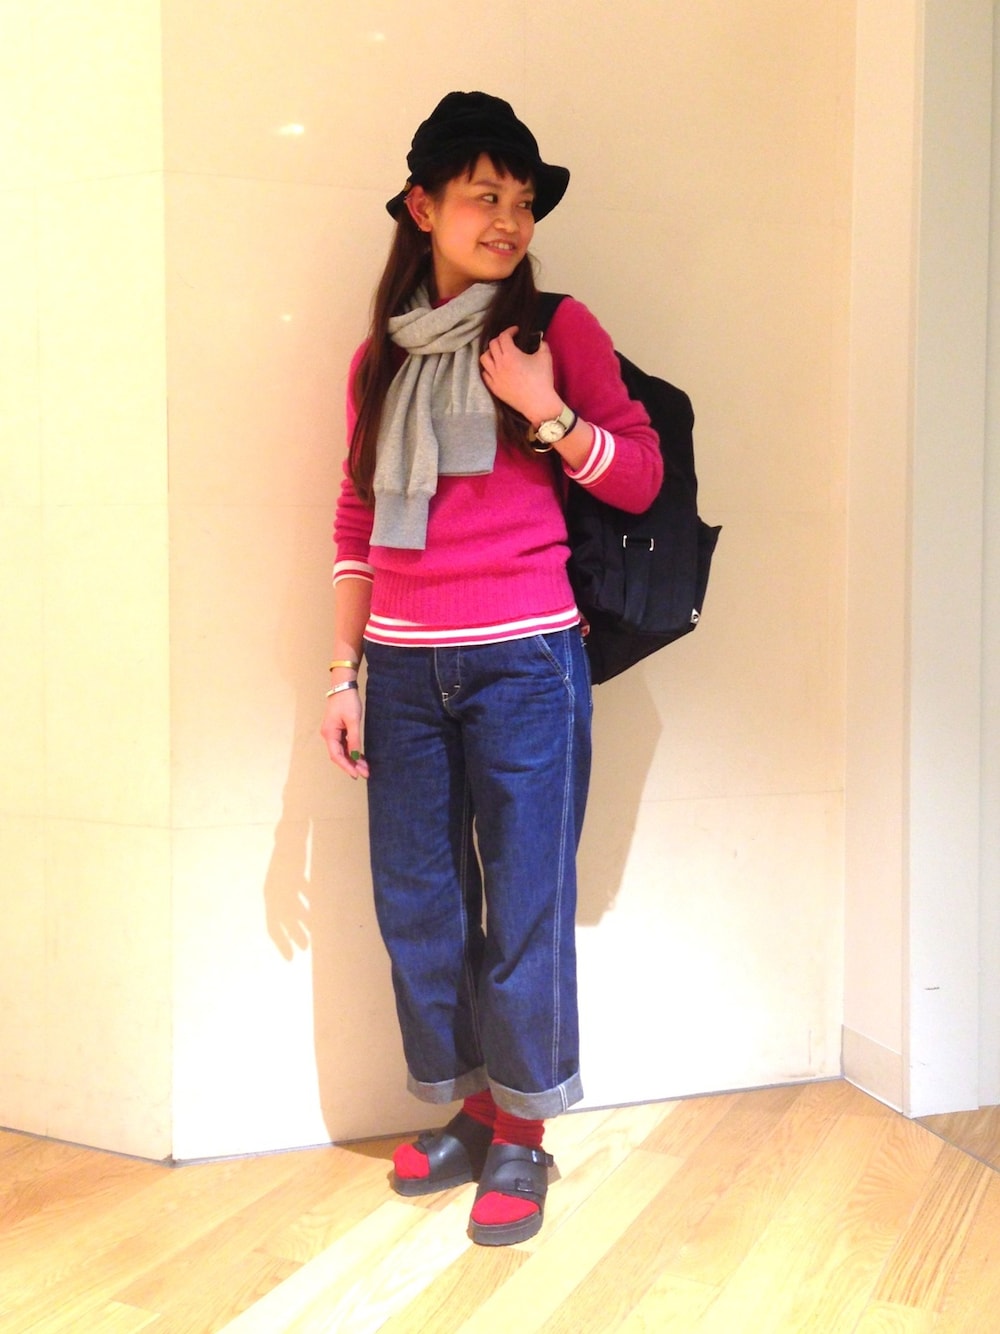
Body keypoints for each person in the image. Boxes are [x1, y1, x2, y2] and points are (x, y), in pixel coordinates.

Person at [321, 91, 662, 1246]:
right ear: (422, 207)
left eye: (522, 201)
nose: (509, 220)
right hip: (403, 669)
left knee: (523, 907)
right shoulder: (378, 358)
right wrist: (341, 674)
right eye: (484, 196)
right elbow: (357, 517)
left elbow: (638, 478)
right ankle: (470, 1105)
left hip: (526, 661)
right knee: (419, 905)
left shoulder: (554, 331)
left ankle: (522, 1131)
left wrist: (545, 408)